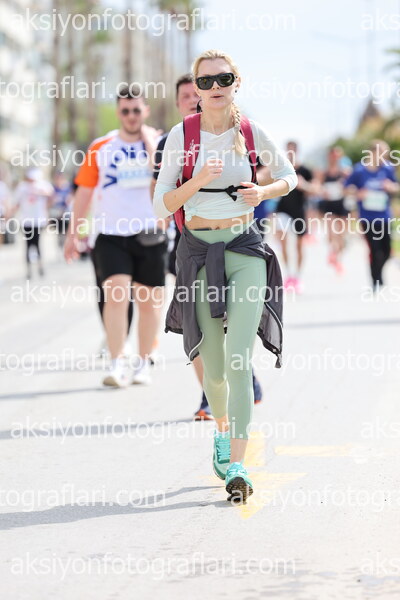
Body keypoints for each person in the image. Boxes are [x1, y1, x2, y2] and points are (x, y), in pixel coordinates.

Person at [154, 49, 297, 501]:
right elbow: (161, 205)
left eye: (224, 79)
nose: (215, 87)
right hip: (198, 253)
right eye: (206, 81)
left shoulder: (250, 132)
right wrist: (197, 180)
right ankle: (221, 430)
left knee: (238, 359)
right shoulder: (182, 135)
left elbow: (289, 176)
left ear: (237, 82)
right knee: (213, 368)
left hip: (244, 249)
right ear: (196, 89)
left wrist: (265, 190)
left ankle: (238, 463)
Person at [64, 85, 168, 387]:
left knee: (148, 303)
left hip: (150, 232)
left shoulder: (160, 143)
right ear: (119, 112)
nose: (131, 116)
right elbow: (84, 192)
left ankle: (143, 363)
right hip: (110, 234)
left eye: (136, 110)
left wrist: (150, 144)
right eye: (125, 111)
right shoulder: (102, 146)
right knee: (116, 295)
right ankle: (116, 362)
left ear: (145, 111)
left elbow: (167, 180)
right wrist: (73, 234)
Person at [344, 139, 399, 290]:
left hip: (385, 216)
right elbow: (346, 188)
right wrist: (358, 193)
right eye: (382, 153)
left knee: (387, 251)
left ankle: (378, 273)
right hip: (367, 218)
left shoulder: (388, 169)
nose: (385, 157)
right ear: (372, 153)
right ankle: (376, 280)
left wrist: (391, 187)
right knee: (375, 250)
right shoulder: (359, 170)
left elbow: (396, 186)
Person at [274, 141, 313, 293]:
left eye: (293, 150)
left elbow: (315, 190)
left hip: (299, 211)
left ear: (297, 151)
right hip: (283, 210)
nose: (290, 153)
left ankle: (297, 277)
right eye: (288, 150)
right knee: (283, 241)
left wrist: (304, 185)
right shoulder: (282, 168)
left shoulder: (305, 170)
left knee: (299, 245)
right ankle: (288, 275)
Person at [316, 146, 351, 273]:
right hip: (329, 206)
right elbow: (317, 187)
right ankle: (332, 252)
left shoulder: (345, 172)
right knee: (331, 233)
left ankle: (338, 258)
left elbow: (352, 187)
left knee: (340, 234)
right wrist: (322, 192)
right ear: (329, 157)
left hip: (342, 205)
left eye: (337, 156)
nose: (334, 158)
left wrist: (344, 188)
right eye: (332, 155)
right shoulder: (323, 172)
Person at [13, 168, 53, 279]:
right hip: (26, 221)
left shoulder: (42, 185)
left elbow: (50, 195)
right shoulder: (22, 187)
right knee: (28, 245)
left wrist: (38, 191)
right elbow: (17, 203)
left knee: (37, 244)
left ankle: (40, 266)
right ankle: (29, 270)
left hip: (39, 221)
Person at [50, 171, 73, 249]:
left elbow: (70, 199)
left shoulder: (68, 188)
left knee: (66, 232)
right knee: (59, 233)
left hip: (66, 214)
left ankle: (65, 247)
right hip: (57, 214)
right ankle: (60, 248)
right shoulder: (53, 188)